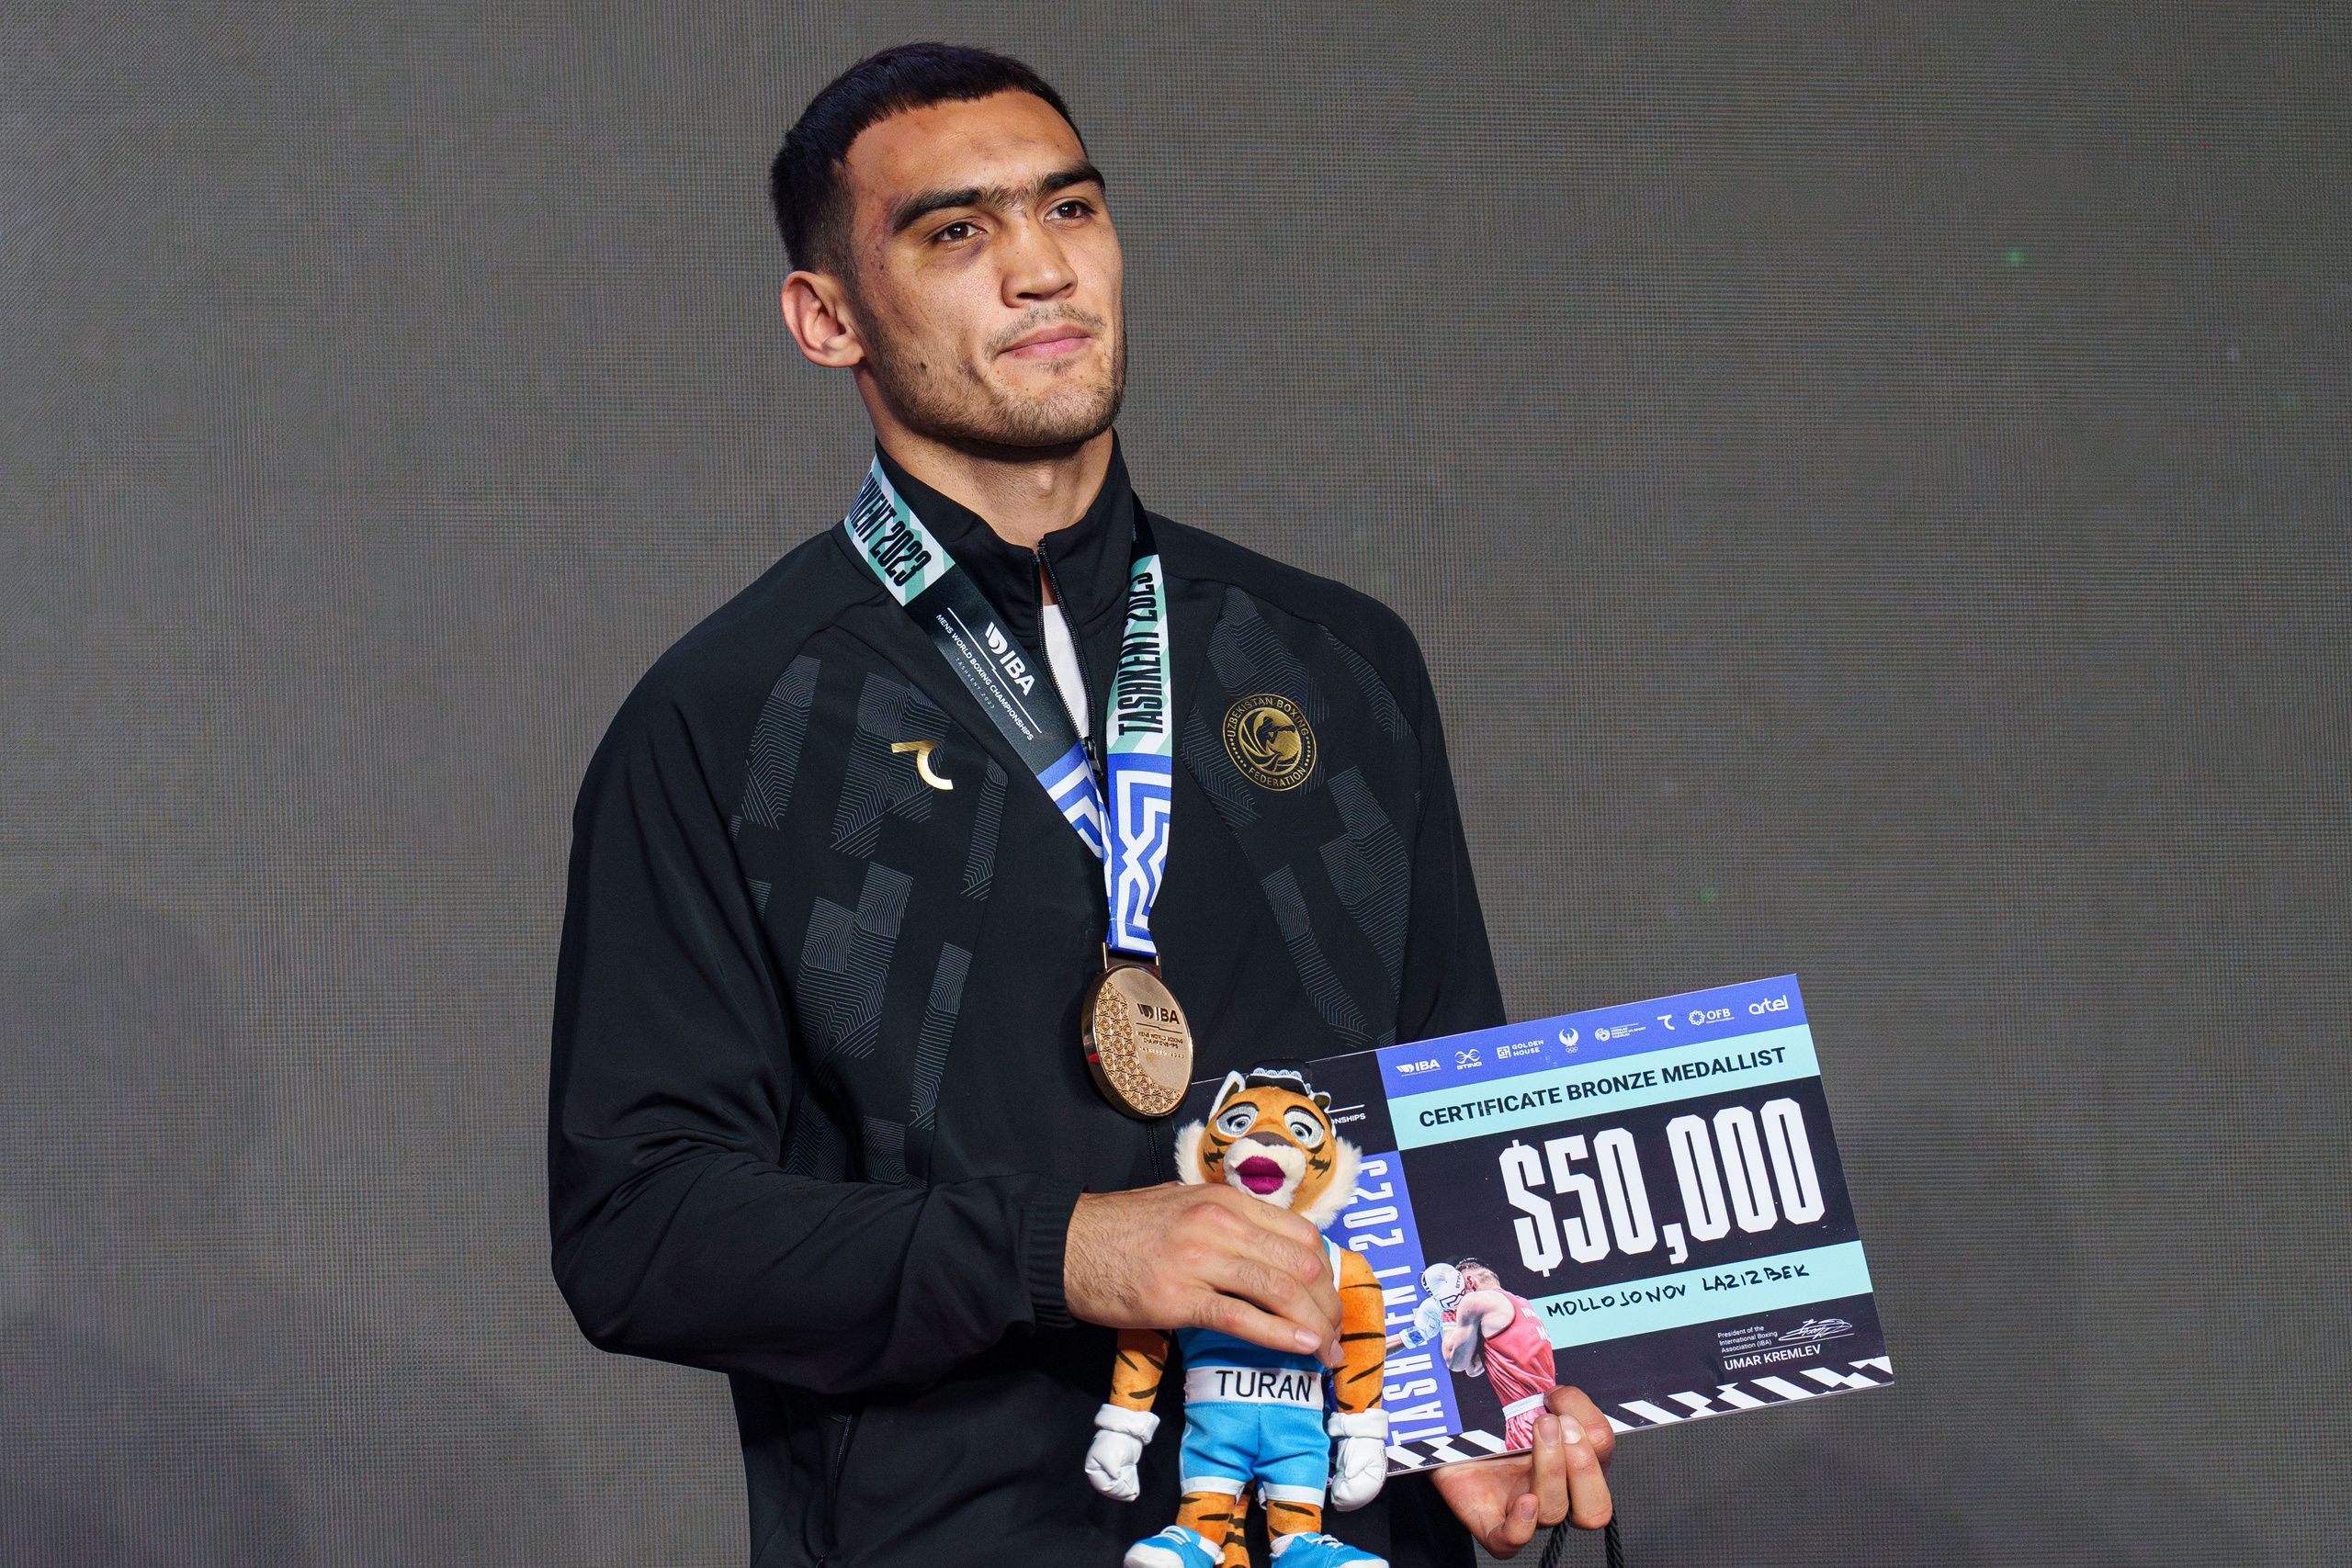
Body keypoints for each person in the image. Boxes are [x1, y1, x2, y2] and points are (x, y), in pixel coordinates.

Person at [547, 42, 1612, 1567]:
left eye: (1072, 209)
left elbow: (1443, 1138)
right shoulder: (730, 721)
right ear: (828, 317)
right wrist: (1060, 1250)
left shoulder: (1338, 662)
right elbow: (638, 1229)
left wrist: (1482, 1416)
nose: (1041, 268)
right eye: (955, 231)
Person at [1437, 1259, 1559, 1452]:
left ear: (1470, 1282)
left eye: (1458, 1291)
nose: (1458, 1300)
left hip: (1527, 1418)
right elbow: (1473, 1368)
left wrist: (1448, 1310)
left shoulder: (1473, 1301)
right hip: (1549, 1410)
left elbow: (1456, 1362)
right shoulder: (1521, 1303)